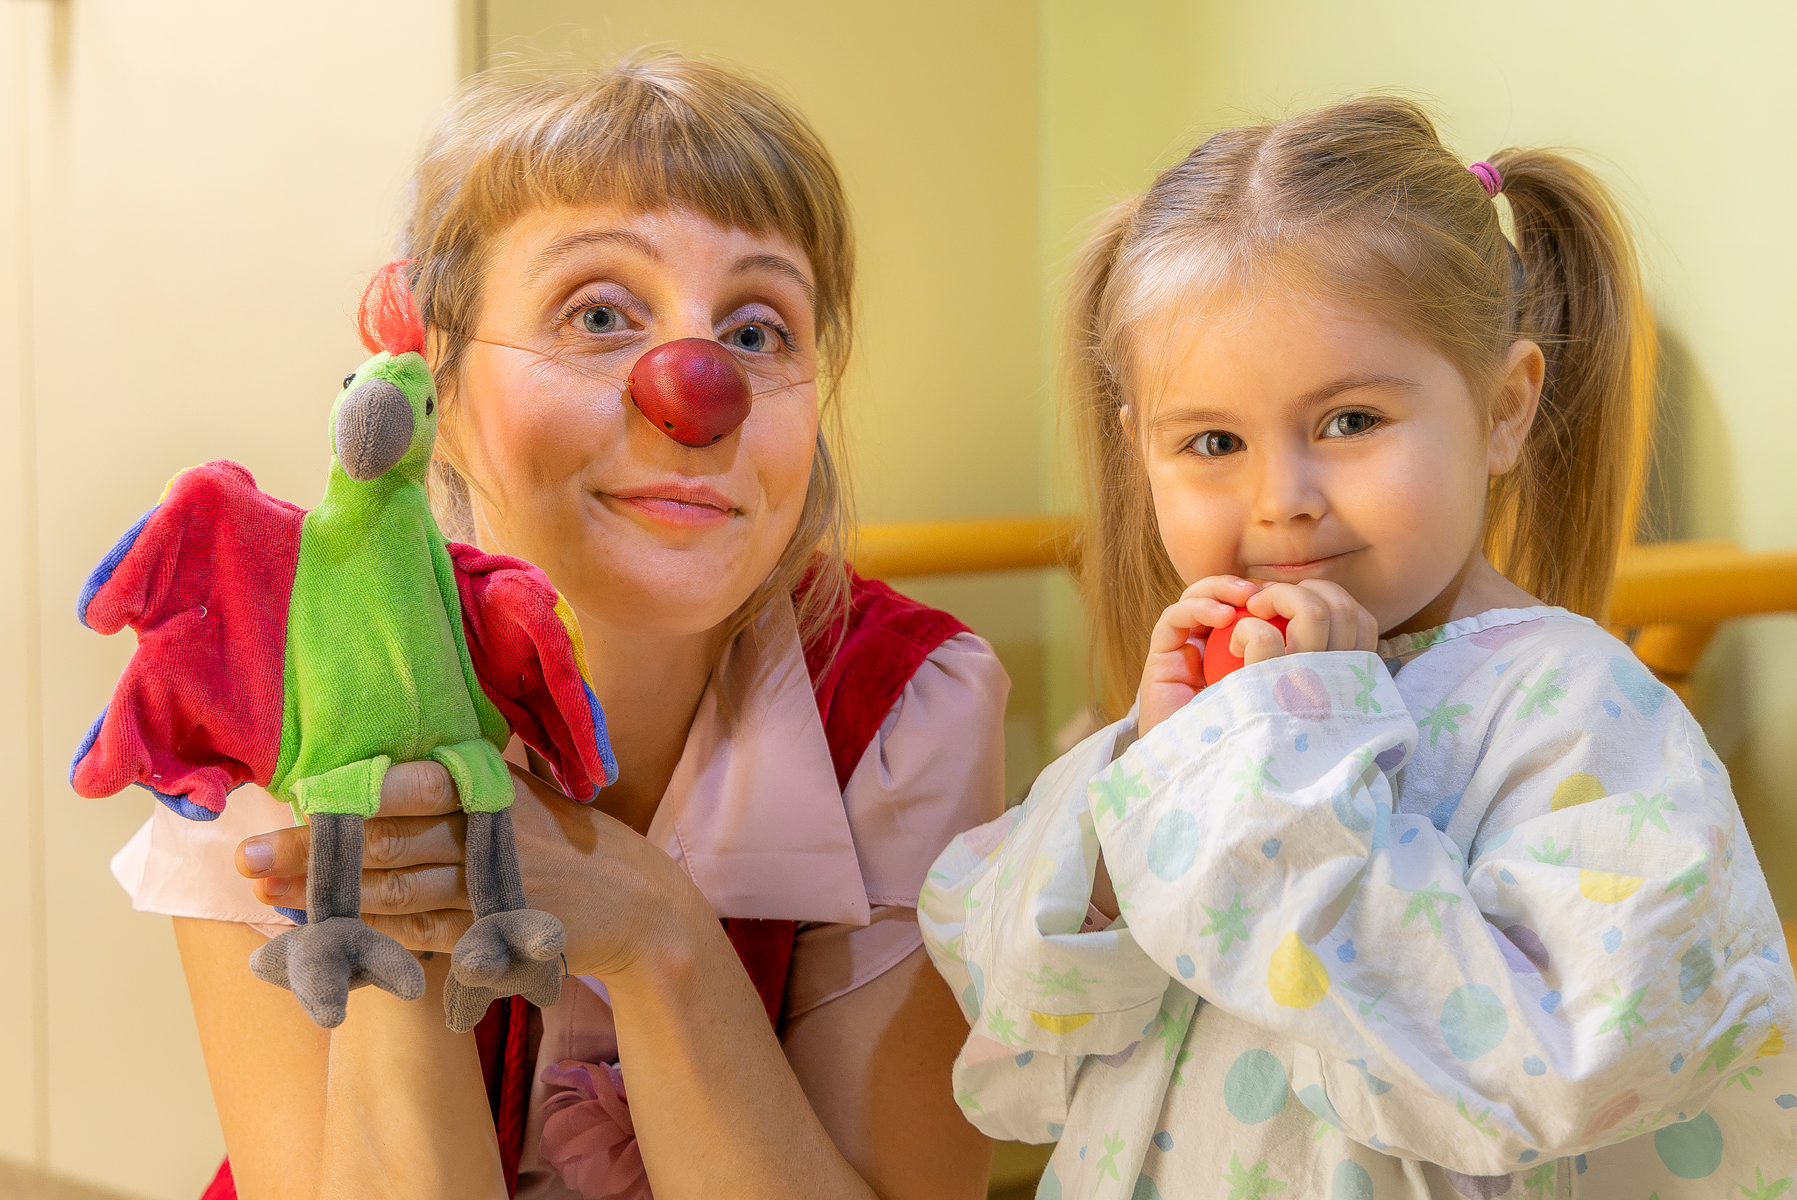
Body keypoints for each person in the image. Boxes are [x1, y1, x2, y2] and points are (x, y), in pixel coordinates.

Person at [111, 56, 1003, 1200]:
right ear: (435, 376)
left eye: (758, 330)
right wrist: (399, 873)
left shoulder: (905, 707)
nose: (695, 393)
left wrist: (652, 929)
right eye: (597, 313)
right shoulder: (257, 687)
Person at [920, 97, 1797, 1198]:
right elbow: (1019, 1043)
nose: (1281, 500)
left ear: (1505, 409)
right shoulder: (1203, 716)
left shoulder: (1583, 710)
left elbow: (1552, 1072)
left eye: (1349, 422)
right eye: (1212, 442)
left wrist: (1288, 750)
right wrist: (1146, 765)